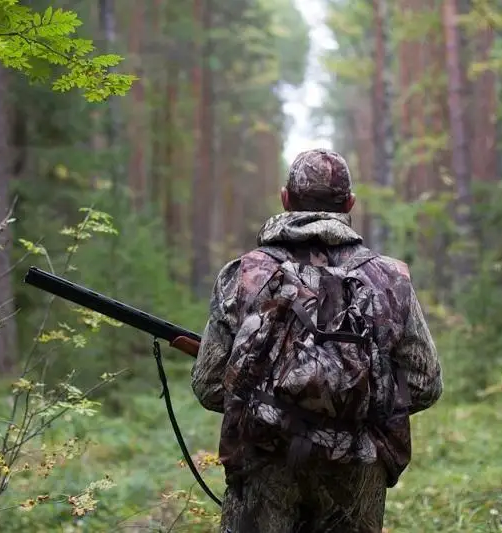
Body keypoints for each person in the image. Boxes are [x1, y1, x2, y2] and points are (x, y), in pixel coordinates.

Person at [190, 149, 443, 533]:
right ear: (349, 204)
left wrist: (274, 404)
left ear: (285, 198)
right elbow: (426, 385)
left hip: (264, 464)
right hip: (359, 467)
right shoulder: (390, 279)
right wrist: (354, 404)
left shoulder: (243, 275)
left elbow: (209, 387)